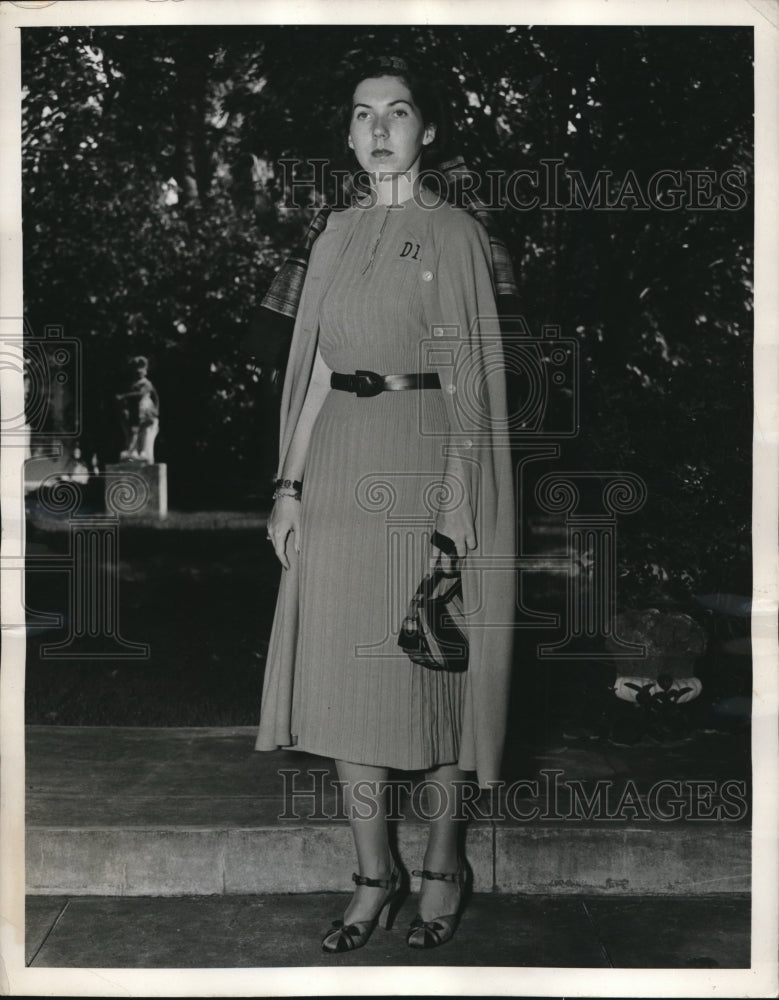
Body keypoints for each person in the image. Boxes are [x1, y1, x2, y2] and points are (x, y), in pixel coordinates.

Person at [256, 54, 515, 953]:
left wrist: (454, 504)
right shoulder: (331, 234)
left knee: (432, 668)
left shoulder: (456, 235)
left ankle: (444, 866)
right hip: (334, 471)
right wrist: (288, 490)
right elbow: (318, 373)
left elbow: (474, 379)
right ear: (347, 133)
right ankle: (374, 872)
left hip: (426, 458)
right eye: (363, 114)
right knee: (338, 678)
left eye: (397, 114)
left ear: (427, 130)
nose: (378, 129)